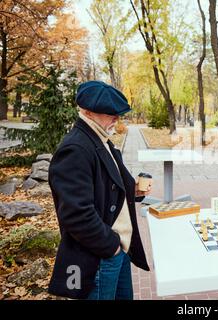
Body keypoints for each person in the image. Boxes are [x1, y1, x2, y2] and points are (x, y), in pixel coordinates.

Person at [48, 80, 150, 300]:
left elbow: (107, 185)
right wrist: (111, 247)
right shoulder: (75, 148)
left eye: (117, 113)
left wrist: (134, 192)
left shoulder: (100, 138)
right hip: (100, 256)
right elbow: (75, 214)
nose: (116, 118)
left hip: (119, 250)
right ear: (87, 112)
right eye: (110, 113)